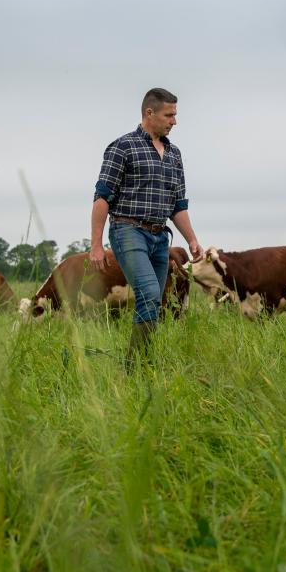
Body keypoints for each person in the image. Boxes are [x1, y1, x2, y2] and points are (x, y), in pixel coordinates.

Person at [89, 87, 203, 365]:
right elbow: (102, 196)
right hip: (128, 231)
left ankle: (143, 361)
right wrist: (95, 245)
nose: (174, 121)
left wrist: (192, 240)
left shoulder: (175, 154)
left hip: (159, 236)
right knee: (150, 293)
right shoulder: (122, 147)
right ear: (149, 113)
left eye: (175, 115)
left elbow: (178, 205)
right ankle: (135, 364)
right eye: (169, 115)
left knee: (155, 299)